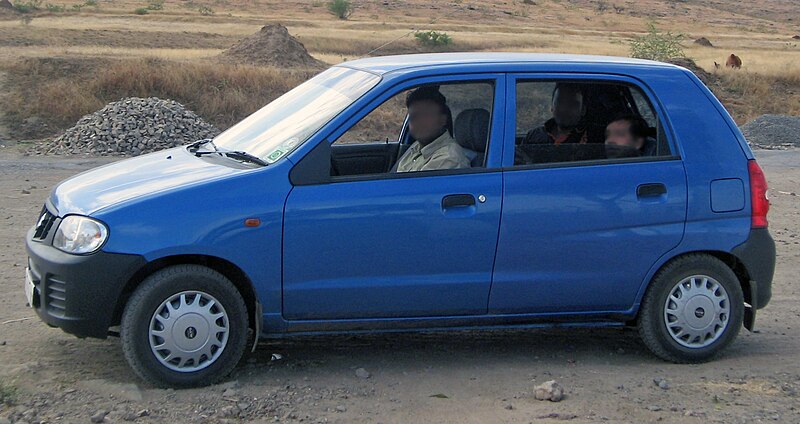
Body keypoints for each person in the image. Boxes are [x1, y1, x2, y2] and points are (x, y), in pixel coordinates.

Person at [394, 87, 471, 173]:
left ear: (443, 120)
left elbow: (414, 186)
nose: (419, 122)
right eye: (414, 116)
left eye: (426, 115)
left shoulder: (448, 158)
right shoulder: (417, 147)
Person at [523, 83, 590, 145]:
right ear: (552, 107)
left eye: (572, 104)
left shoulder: (591, 140)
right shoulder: (534, 136)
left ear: (583, 110)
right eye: (560, 102)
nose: (565, 109)